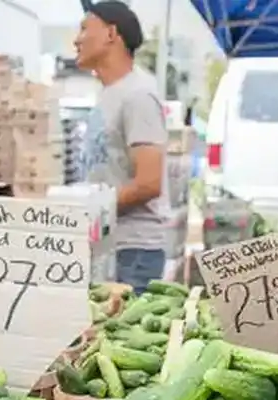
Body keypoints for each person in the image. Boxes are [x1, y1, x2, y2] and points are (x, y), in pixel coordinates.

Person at [75, 1, 169, 292]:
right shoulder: (109, 95)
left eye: (84, 29)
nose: (76, 40)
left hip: (133, 253)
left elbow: (149, 183)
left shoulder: (138, 95)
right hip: (110, 248)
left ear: (111, 34)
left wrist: (84, 211)